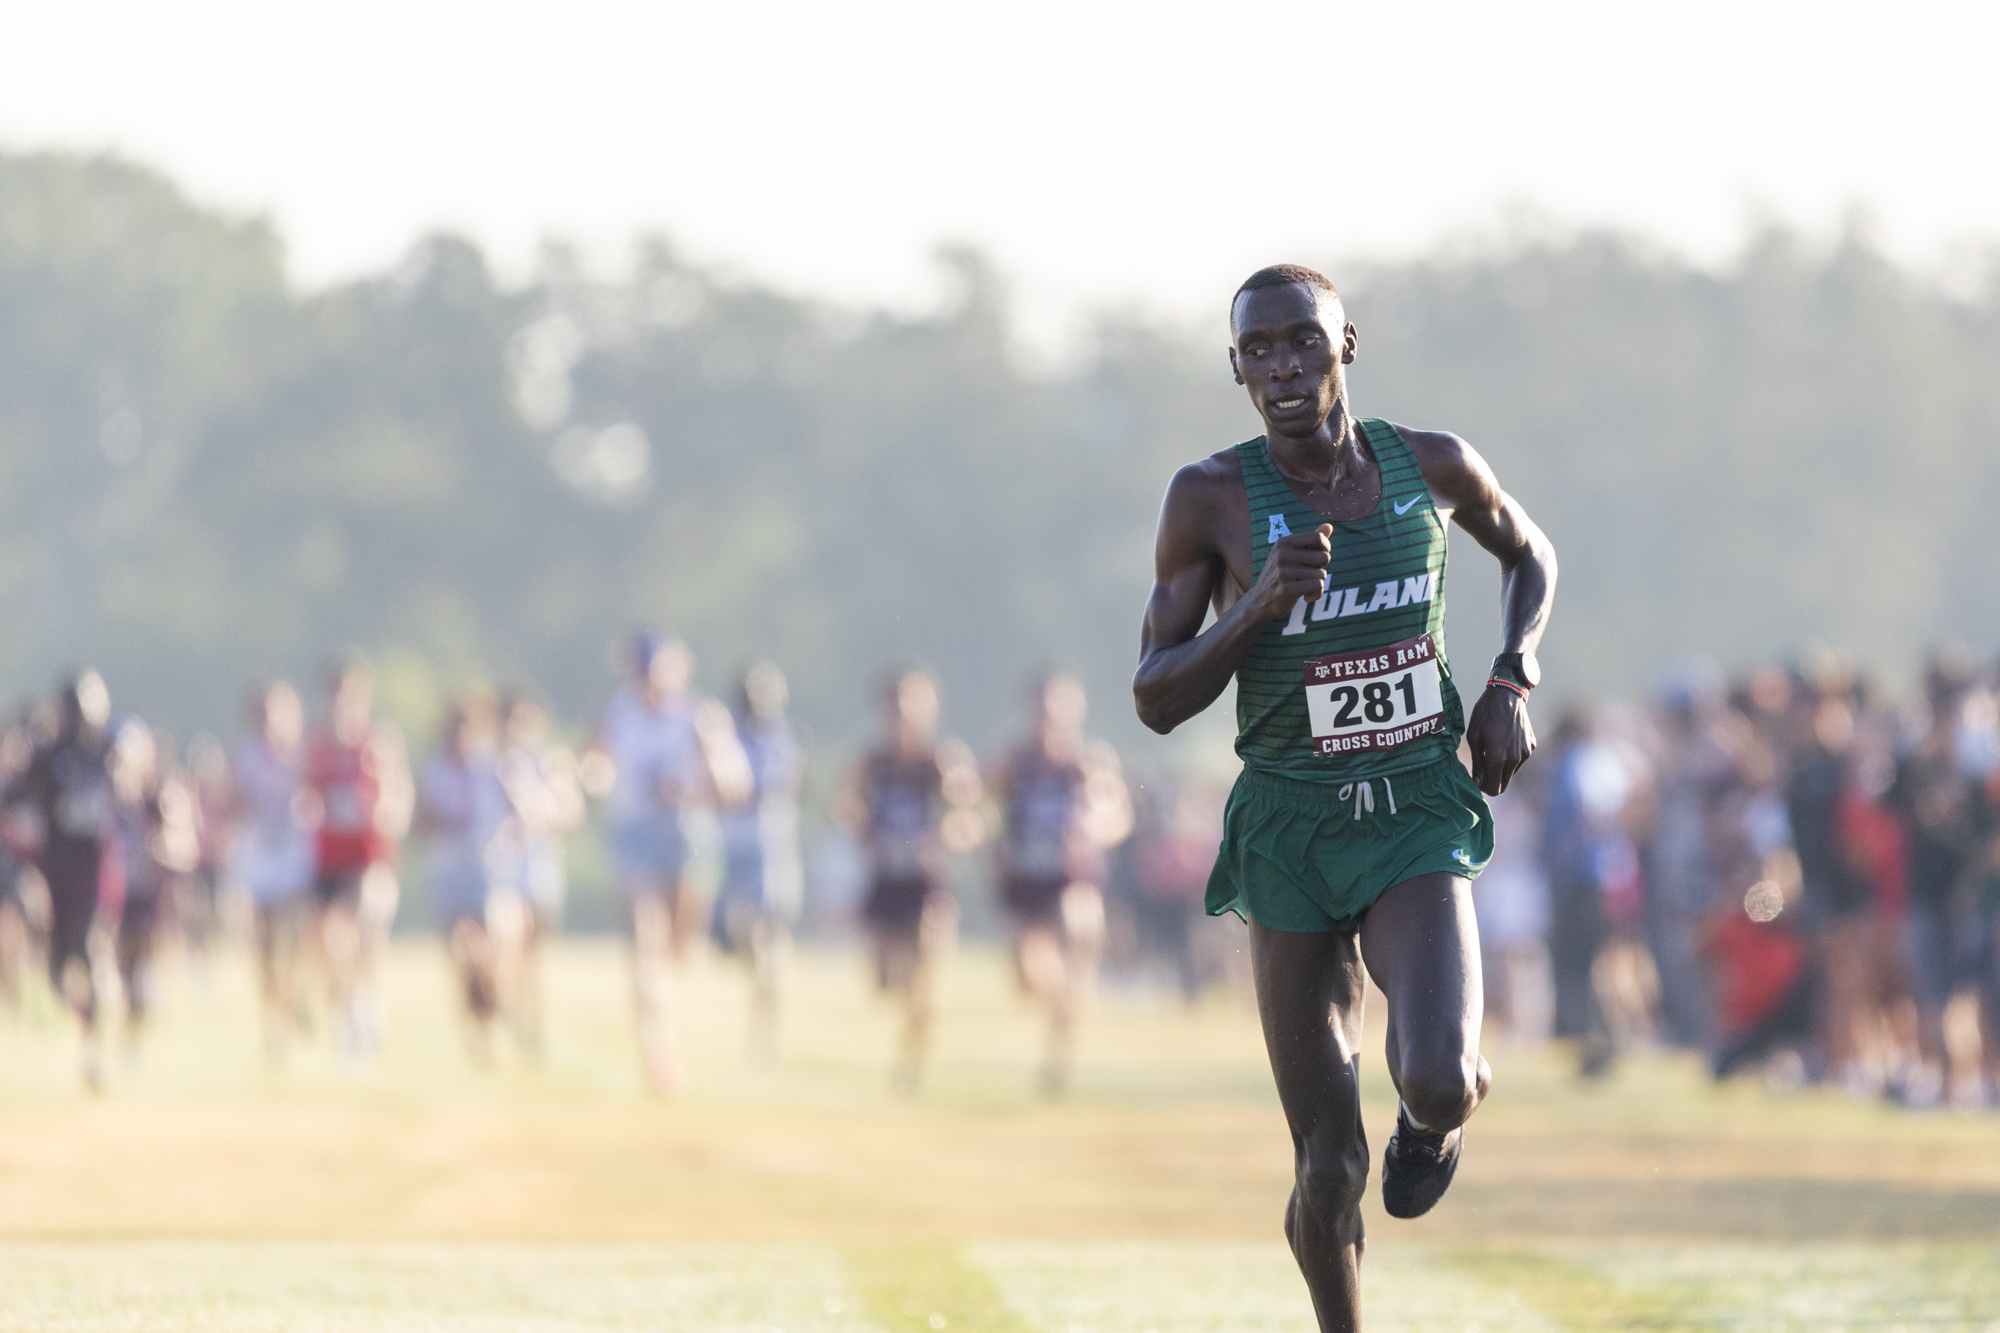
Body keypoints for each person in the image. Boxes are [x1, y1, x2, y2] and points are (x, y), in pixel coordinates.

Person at [1131, 265, 1555, 1331]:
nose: (1281, 366)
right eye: (1258, 350)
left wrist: (1510, 675)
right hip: (1289, 826)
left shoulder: (1433, 464)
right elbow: (1152, 696)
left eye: (1301, 342)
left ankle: (1439, 1114)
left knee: (1440, 1079)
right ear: (1235, 368)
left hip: (1414, 806)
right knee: (1325, 1165)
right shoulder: (1212, 498)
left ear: (1344, 345)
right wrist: (1256, 607)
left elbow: (1529, 553)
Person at [591, 633, 750, 1093]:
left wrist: (706, 766)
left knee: (679, 951)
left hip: (689, 838)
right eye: (642, 672)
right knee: (646, 948)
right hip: (635, 836)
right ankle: (657, 1053)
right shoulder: (616, 714)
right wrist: (595, 777)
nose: (650, 682)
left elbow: (735, 787)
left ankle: (663, 1010)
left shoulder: (701, 716)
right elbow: (594, 765)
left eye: (659, 670)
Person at [987, 671, 1132, 1096]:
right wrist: (996, 848)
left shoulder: (1090, 763)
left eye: (1060, 707)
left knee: (1079, 936)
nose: (1051, 717)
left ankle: (1057, 1059)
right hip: (1025, 880)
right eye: (1043, 708)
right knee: (1029, 980)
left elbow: (1118, 816)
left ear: (1076, 711)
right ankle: (1064, 1001)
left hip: (1074, 878)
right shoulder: (1012, 762)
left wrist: (1094, 826)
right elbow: (980, 809)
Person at [839, 668, 982, 1096]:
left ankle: (911, 1063)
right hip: (884, 882)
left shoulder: (942, 761)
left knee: (924, 980)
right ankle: (909, 1032)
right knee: (885, 982)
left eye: (915, 705)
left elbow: (969, 817)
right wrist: (865, 834)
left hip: (927, 884)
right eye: (898, 706)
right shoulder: (872, 762)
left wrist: (944, 837)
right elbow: (845, 806)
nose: (906, 716)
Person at [6, 671, 119, 1088]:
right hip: (56, 877)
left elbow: (130, 792)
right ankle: (87, 1024)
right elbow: (17, 795)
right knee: (57, 971)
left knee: (91, 951)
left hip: (94, 874)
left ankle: (96, 1049)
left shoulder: (109, 755)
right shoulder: (49, 757)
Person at [303, 654, 413, 1057]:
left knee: (361, 934)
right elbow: (303, 794)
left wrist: (390, 812)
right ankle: (345, 1009)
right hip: (326, 857)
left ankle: (364, 1003)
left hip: (367, 857)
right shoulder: (315, 747)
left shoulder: (376, 744)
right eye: (334, 696)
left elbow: (399, 792)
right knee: (326, 943)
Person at [712, 662, 805, 1064]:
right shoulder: (725, 735)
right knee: (744, 941)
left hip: (770, 851)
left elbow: (763, 787)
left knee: (766, 943)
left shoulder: (783, 738)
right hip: (731, 850)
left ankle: (764, 1037)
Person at [491, 688, 583, 1057]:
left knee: (536, 958)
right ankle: (509, 1008)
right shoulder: (492, 763)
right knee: (506, 940)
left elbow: (571, 813)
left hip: (542, 869)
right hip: (503, 870)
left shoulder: (552, 762)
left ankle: (533, 1027)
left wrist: (543, 807)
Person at [418, 695, 510, 1057]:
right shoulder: (436, 771)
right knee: (459, 952)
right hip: (449, 870)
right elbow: (423, 823)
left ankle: (492, 1000)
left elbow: (515, 812)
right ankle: (473, 1024)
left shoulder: (494, 769)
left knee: (490, 950)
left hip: (487, 869)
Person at [231, 680, 316, 1060]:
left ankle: (295, 994)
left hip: (296, 858)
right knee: (266, 948)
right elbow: (234, 804)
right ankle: (274, 1022)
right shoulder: (247, 757)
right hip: (261, 861)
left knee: (296, 941)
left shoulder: (304, 754)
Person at [107, 718, 199, 1057]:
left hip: (151, 894)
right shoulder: (111, 797)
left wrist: (157, 848)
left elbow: (184, 846)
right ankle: (129, 1029)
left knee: (144, 962)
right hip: (118, 894)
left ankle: (136, 1030)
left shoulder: (161, 795)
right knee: (122, 964)